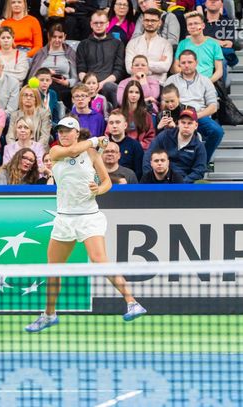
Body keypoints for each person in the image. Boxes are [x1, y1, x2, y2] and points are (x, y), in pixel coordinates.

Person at [24, 116, 146, 333]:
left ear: (77, 133)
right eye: (60, 131)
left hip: (89, 217)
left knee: (99, 259)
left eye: (67, 131)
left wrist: (99, 190)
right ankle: (49, 315)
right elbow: (72, 151)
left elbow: (107, 181)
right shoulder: (55, 152)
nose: (63, 134)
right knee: (53, 269)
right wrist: (97, 140)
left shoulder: (91, 154)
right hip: (64, 219)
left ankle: (132, 302)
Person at [165, 49, 223, 162]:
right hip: (177, 115)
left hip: (199, 116)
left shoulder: (206, 81)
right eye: (183, 63)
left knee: (217, 131)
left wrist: (195, 116)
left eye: (190, 62)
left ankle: (202, 161)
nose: (186, 65)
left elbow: (213, 107)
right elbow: (164, 102)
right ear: (179, 64)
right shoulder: (171, 80)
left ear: (196, 63)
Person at [143, 107, 207, 183]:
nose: (186, 126)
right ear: (178, 123)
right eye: (183, 122)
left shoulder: (199, 146)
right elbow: (148, 156)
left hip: (183, 183)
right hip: (159, 180)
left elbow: (199, 171)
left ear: (196, 126)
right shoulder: (165, 135)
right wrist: (151, 178)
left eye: (190, 123)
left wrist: (181, 183)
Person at [76, 11, 125, 108]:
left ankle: (114, 113)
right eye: (95, 23)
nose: (98, 25)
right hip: (88, 82)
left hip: (108, 82)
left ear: (107, 24)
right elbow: (81, 69)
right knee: (77, 87)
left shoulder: (117, 44)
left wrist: (100, 84)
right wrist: (89, 84)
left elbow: (118, 70)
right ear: (91, 24)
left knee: (110, 87)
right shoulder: (83, 44)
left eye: (101, 23)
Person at [28, 24, 77, 112]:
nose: (57, 40)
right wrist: (46, 73)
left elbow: (75, 78)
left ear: (64, 37)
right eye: (54, 37)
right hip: (42, 86)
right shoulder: (41, 53)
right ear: (49, 36)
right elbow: (32, 77)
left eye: (60, 37)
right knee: (50, 88)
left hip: (64, 87)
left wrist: (67, 82)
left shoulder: (71, 53)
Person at [125, 8, 173, 85]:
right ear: (142, 22)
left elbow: (165, 67)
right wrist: (156, 65)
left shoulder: (166, 44)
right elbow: (129, 68)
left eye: (153, 21)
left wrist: (138, 65)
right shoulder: (132, 43)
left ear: (160, 22)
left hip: (158, 84)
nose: (150, 23)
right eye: (147, 20)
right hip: (136, 85)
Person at [174, 11, 223, 83]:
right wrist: (189, 77)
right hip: (185, 82)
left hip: (207, 82)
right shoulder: (182, 44)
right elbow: (175, 67)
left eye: (196, 23)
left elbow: (219, 71)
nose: (193, 26)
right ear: (187, 27)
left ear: (203, 26)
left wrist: (207, 83)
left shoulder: (214, 44)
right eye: (190, 24)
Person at [7, 85, 52, 151]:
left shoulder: (44, 114)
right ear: (21, 98)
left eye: (31, 96)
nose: (28, 98)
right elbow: (10, 136)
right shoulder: (15, 115)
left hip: (38, 150)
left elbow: (44, 137)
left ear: (36, 99)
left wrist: (32, 151)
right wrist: (17, 150)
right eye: (25, 95)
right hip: (18, 150)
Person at [105, 109, 144, 179]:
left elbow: (139, 172)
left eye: (118, 122)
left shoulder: (135, 145)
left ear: (125, 125)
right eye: (111, 123)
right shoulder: (102, 145)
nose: (114, 126)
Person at [120, 80, 155, 150]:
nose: (134, 95)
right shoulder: (117, 113)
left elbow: (150, 137)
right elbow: (108, 134)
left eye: (137, 92)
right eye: (131, 92)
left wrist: (138, 145)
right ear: (126, 94)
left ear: (140, 95)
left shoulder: (146, 116)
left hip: (140, 149)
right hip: (120, 149)